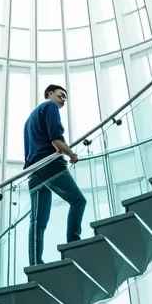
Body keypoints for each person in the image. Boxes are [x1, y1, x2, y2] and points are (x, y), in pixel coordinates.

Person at [23, 84, 87, 266]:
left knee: (38, 221)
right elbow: (56, 140)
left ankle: (35, 263)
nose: (63, 99)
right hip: (49, 164)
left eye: (65, 97)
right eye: (61, 95)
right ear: (49, 94)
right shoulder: (50, 107)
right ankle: (73, 244)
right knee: (78, 201)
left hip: (33, 170)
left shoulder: (29, 120)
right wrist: (71, 154)